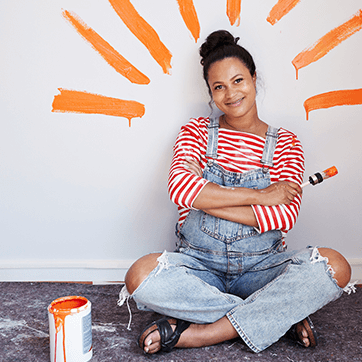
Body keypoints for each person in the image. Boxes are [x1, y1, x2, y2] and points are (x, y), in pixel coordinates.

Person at [119, 30, 353, 354]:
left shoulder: (285, 142)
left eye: (238, 80)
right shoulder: (197, 131)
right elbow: (180, 188)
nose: (230, 94)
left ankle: (203, 332)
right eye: (219, 87)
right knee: (140, 275)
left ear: (255, 78)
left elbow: (283, 215)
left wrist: (206, 199)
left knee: (336, 266)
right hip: (199, 268)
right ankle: (275, 316)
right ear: (210, 93)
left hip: (263, 270)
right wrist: (260, 195)